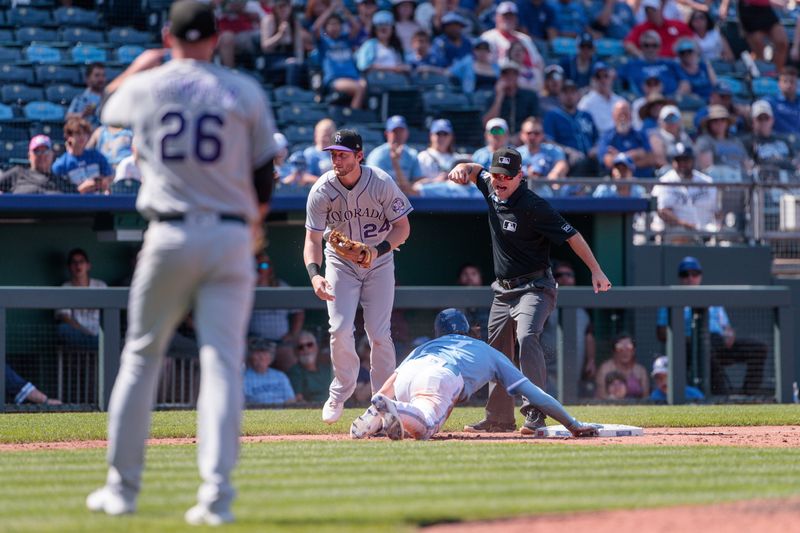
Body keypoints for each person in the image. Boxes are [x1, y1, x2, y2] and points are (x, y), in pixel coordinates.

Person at [85, 2, 280, 525]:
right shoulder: (243, 90)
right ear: (217, 37)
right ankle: (216, 499)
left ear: (169, 35)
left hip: (168, 231)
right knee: (221, 364)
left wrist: (141, 63)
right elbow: (264, 178)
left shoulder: (148, 86)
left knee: (141, 356)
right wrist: (252, 224)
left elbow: (103, 108)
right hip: (231, 235)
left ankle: (121, 491)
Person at [448, 147, 611, 434]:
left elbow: (572, 236)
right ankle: (498, 419)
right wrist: (463, 166)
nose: (500, 181)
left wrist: (596, 270)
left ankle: (535, 413)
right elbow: (476, 171)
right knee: (496, 353)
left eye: (507, 177)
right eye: (497, 174)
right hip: (503, 290)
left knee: (527, 336)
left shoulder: (534, 205)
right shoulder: (490, 184)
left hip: (535, 286)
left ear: (519, 176)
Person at [349, 308, 601, 440]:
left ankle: (373, 423)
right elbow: (536, 395)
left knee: (404, 407)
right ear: (468, 330)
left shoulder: (425, 345)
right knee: (425, 426)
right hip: (442, 375)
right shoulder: (488, 351)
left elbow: (391, 381)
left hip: (409, 375)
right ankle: (395, 410)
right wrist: (572, 424)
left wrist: (372, 412)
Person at [303, 128, 412, 424]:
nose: (336, 160)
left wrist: (379, 249)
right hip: (339, 263)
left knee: (379, 334)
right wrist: (315, 275)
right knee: (339, 329)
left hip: (379, 262)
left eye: (343, 154)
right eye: (333, 154)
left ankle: (384, 400)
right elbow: (313, 240)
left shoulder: (380, 182)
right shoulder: (322, 190)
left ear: (359, 155)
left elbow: (403, 227)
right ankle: (340, 392)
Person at [656, 256, 768, 395]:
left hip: (718, 344)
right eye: (685, 274)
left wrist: (729, 335)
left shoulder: (711, 297)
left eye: (694, 274)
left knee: (759, 348)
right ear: (679, 277)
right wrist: (687, 339)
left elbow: (726, 327)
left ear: (700, 276)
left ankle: (749, 395)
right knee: (706, 347)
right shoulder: (670, 299)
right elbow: (661, 333)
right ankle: (722, 395)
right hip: (690, 348)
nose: (690, 278)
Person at [540, 260, 597, 398]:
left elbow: (588, 335)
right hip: (548, 366)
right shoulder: (545, 304)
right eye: (560, 274)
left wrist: (591, 360)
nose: (565, 278)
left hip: (574, 364)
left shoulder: (582, 310)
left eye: (569, 274)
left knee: (571, 396)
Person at [651, 143, 718, 242]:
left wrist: (718, 225)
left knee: (728, 235)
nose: (682, 164)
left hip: (705, 231)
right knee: (681, 234)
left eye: (686, 160)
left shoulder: (706, 182)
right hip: (674, 231)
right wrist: (684, 224)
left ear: (693, 161)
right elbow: (663, 212)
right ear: (673, 162)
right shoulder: (665, 182)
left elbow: (717, 210)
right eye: (679, 160)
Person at [248, 251, 305, 368]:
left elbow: (298, 312)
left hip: (280, 343)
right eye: (255, 266)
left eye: (263, 266)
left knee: (290, 362)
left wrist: (292, 334)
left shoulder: (280, 286)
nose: (259, 269)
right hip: (254, 343)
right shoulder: (246, 288)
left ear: (269, 269)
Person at [543, 80, 599, 177]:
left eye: (572, 92)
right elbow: (548, 141)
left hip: (590, 159)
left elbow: (597, 139)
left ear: (578, 95)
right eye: (565, 92)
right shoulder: (553, 115)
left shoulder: (586, 115)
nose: (569, 96)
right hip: (568, 160)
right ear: (560, 95)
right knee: (581, 163)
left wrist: (595, 149)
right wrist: (569, 151)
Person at [313, 9, 368, 109]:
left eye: (337, 24)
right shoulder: (324, 42)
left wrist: (343, 9)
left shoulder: (346, 39)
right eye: (331, 24)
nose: (334, 27)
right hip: (335, 80)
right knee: (360, 88)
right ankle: (352, 116)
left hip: (354, 78)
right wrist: (330, 9)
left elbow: (357, 27)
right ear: (326, 27)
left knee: (366, 85)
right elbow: (315, 28)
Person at [55, 248, 106, 350]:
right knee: (63, 329)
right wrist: (82, 330)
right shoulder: (65, 287)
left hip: (96, 332)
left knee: (110, 336)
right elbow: (64, 316)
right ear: (69, 267)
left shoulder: (100, 285)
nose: (78, 266)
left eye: (81, 262)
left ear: (88, 266)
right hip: (76, 333)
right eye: (74, 263)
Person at [719, 0, 788, 73]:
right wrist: (724, 5)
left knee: (782, 42)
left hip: (766, 8)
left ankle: (777, 74)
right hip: (748, 9)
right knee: (759, 47)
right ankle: (763, 76)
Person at [52, 117, 114, 194]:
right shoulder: (60, 165)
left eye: (85, 133)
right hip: (75, 204)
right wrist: (81, 189)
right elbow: (61, 194)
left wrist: (104, 183)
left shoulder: (97, 156)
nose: (82, 137)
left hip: (99, 202)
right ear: (68, 137)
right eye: (78, 133)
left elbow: (109, 177)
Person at [365, 115, 423, 197]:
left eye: (401, 131)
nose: (398, 134)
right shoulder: (377, 155)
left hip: (410, 201)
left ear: (407, 133)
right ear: (386, 134)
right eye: (395, 131)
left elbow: (418, 182)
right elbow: (373, 184)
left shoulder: (412, 154)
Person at [481, 59, 540, 138]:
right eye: (506, 74)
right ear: (501, 76)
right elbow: (487, 124)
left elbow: (536, 121)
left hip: (524, 139)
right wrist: (499, 97)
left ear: (518, 76)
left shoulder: (530, 96)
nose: (510, 77)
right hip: (499, 139)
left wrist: (520, 136)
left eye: (513, 74)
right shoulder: (492, 97)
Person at [0, 135, 76, 194]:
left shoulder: (61, 181)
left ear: (52, 154)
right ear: (29, 156)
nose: (42, 155)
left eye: (45, 151)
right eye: (37, 152)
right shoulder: (18, 173)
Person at [597, 100, 655, 178]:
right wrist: (637, 154)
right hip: (616, 184)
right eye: (620, 115)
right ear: (613, 116)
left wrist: (619, 158)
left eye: (626, 114)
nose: (623, 118)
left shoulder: (640, 135)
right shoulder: (606, 137)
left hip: (642, 180)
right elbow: (608, 161)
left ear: (631, 116)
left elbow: (650, 158)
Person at [695, 105, 751, 179]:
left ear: (727, 123)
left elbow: (747, 166)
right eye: (715, 120)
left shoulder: (736, 141)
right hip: (718, 184)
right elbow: (707, 170)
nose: (719, 123)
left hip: (740, 183)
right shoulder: (704, 141)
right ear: (709, 123)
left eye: (723, 120)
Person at [624, 0, 693, 59]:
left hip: (675, 64)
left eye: (653, 10)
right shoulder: (641, 28)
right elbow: (628, 44)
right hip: (652, 64)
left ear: (660, 9)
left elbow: (692, 40)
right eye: (647, 10)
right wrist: (642, 56)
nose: (650, 13)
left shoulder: (676, 25)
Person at [595, 332, 649, 400]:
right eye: (620, 348)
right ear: (614, 351)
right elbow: (601, 395)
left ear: (634, 351)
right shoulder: (605, 369)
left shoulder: (640, 371)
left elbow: (646, 398)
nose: (625, 352)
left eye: (629, 348)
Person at [243, 337, 296, 405]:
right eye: (257, 353)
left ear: (271, 357)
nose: (261, 357)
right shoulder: (244, 379)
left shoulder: (280, 376)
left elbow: (291, 400)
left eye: (265, 353)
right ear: (250, 356)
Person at [577, 62, 626, 134]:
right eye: (598, 77)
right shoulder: (586, 102)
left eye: (606, 76)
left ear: (611, 77)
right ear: (593, 79)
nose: (603, 80)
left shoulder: (620, 101)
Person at [286, 331, 332, 402]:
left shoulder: (326, 369)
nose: (305, 349)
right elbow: (299, 399)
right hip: (314, 408)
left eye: (309, 345)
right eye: (300, 347)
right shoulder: (294, 372)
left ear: (316, 347)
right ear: (295, 352)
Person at [649, 104, 693, 172]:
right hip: (668, 174)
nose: (671, 122)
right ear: (660, 121)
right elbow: (660, 161)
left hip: (687, 173)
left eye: (674, 118)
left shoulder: (686, 137)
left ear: (680, 120)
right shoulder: (656, 137)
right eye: (667, 119)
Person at [417, 119, 458, 184]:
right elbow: (415, 184)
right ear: (431, 135)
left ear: (451, 136)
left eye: (445, 134)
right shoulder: (422, 157)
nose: (442, 137)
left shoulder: (457, 159)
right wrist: (435, 181)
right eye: (438, 134)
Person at [66, 62, 105, 129]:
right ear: (88, 78)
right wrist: (83, 114)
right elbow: (68, 117)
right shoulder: (80, 99)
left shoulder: (110, 98)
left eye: (103, 75)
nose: (101, 79)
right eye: (97, 75)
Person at [456, 263, 490, 341]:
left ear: (481, 278)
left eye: (473, 274)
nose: (469, 277)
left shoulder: (490, 303)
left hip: (487, 346)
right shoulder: (453, 304)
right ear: (459, 279)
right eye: (465, 274)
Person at [766, 67, 800, 136]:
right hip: (779, 143)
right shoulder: (770, 101)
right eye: (785, 81)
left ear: (797, 84)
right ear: (779, 84)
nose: (788, 85)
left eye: (792, 82)